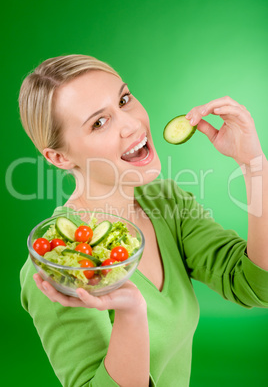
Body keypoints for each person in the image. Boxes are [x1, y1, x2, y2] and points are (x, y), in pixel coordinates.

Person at [19, 54, 268, 387]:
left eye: (124, 100)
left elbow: (255, 285)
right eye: (99, 122)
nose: (131, 124)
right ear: (60, 157)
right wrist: (131, 312)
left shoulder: (166, 202)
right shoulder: (56, 265)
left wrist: (254, 164)